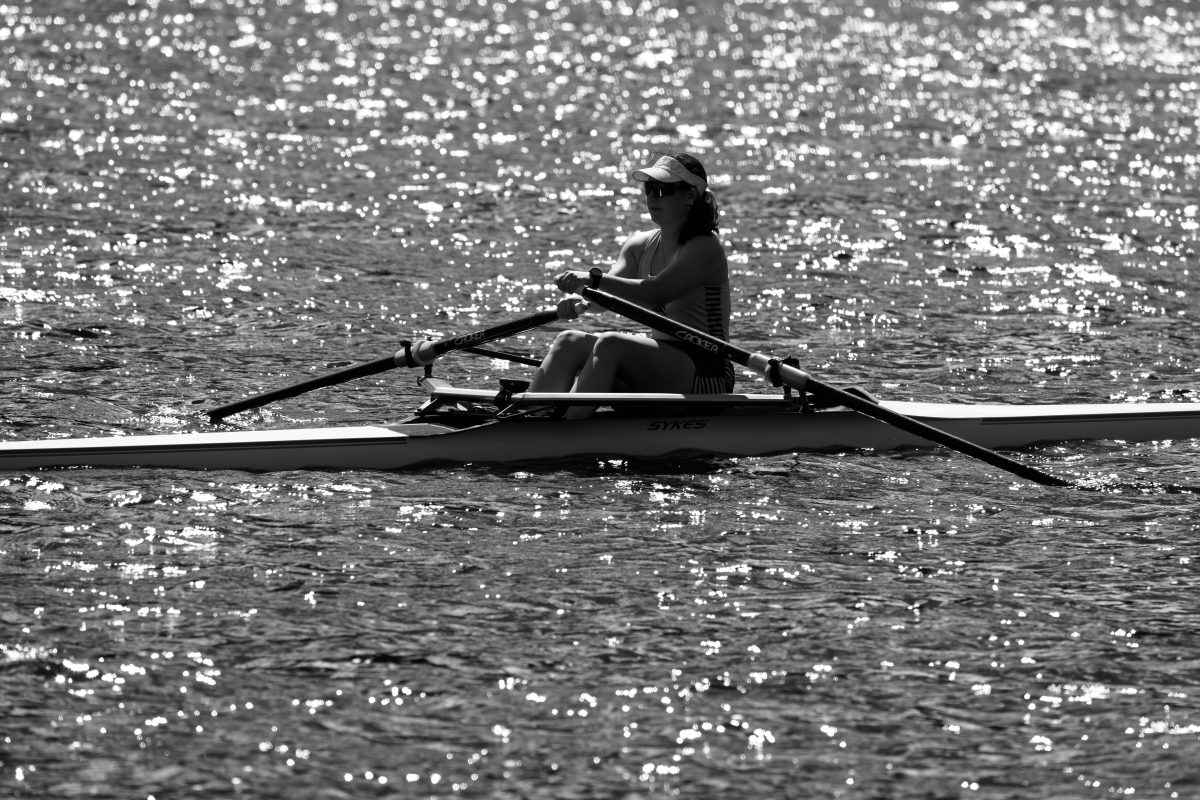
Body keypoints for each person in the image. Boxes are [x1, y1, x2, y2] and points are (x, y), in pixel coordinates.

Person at [529, 153, 734, 418]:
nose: (653, 197)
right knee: (568, 340)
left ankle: (566, 431)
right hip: (664, 365)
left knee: (612, 344)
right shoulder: (639, 245)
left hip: (707, 373)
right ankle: (532, 419)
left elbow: (655, 293)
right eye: (649, 189)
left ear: (690, 196)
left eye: (663, 190)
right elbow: (602, 297)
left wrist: (592, 279)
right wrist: (581, 302)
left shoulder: (705, 247)